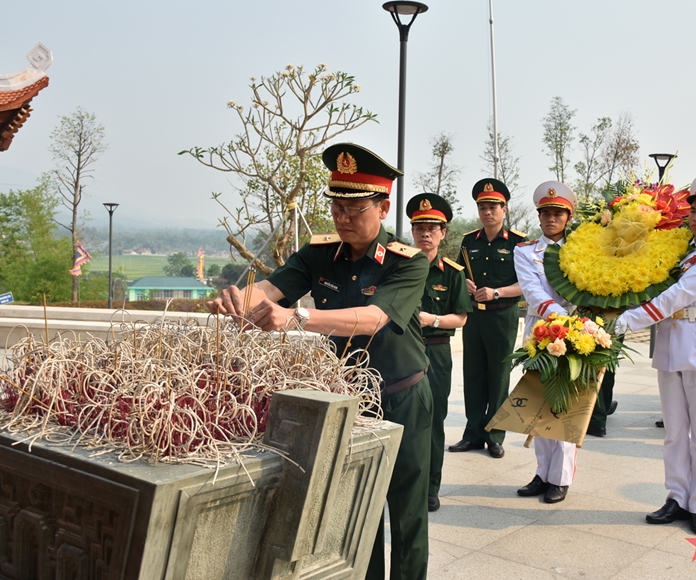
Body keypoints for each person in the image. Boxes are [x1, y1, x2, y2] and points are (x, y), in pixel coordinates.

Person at [208, 143, 432, 580]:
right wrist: (237, 299)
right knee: (355, 509)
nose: (342, 218)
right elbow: (271, 289)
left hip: (402, 396)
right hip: (349, 397)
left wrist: (297, 318)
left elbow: (373, 319)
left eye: (354, 209)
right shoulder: (318, 254)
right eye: (336, 208)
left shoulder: (408, 263)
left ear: (383, 208)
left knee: (406, 511)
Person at [613, 172, 696, 535]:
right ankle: (677, 496)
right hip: (671, 344)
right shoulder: (679, 251)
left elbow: (679, 295)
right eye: (693, 211)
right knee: (674, 431)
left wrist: (628, 320)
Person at [449, 179, 526, 459]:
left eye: (493, 207)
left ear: (504, 209)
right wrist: (464, 283)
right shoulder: (470, 241)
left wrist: (497, 292)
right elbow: (458, 273)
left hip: (502, 316)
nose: (487, 212)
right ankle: (472, 434)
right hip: (474, 317)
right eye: (483, 207)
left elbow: (526, 283)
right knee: (473, 375)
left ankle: (494, 435)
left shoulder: (518, 242)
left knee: (498, 376)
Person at [513, 181, 578, 503]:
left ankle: (560, 478)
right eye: (546, 213)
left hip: (576, 335)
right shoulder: (525, 251)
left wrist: (572, 325)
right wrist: (558, 318)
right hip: (540, 331)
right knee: (540, 405)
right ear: (538, 216)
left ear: (568, 217)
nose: (551, 218)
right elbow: (531, 290)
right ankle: (542, 472)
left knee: (564, 406)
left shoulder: (581, 250)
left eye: (558, 213)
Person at [406, 193, 471, 513]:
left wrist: (430, 319)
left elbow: (461, 317)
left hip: (436, 352)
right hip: (402, 351)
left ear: (443, 233)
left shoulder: (452, 273)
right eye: (419, 228)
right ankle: (404, 484)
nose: (425, 234)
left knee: (432, 421)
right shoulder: (399, 266)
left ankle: (430, 487)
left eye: (432, 228)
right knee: (402, 419)